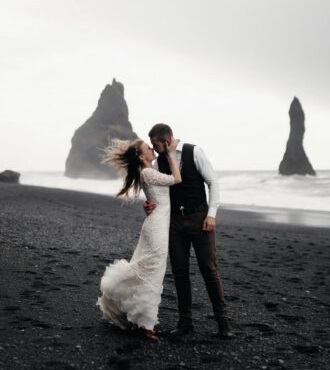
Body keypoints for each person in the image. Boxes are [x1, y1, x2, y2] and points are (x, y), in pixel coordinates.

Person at [145, 123, 234, 339]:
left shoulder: (194, 152)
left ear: (167, 141)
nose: (154, 149)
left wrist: (212, 214)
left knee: (209, 269)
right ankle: (185, 324)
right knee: (180, 272)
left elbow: (213, 182)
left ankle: (224, 323)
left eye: (155, 144)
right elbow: (157, 191)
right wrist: (148, 205)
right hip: (174, 221)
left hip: (199, 218)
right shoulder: (158, 162)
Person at [96, 138, 182, 340]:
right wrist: (171, 153)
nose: (152, 149)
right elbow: (177, 179)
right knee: (152, 273)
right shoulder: (148, 172)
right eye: (148, 148)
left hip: (157, 225)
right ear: (142, 156)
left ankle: (139, 319)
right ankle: (146, 325)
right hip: (156, 228)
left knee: (149, 271)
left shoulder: (149, 171)